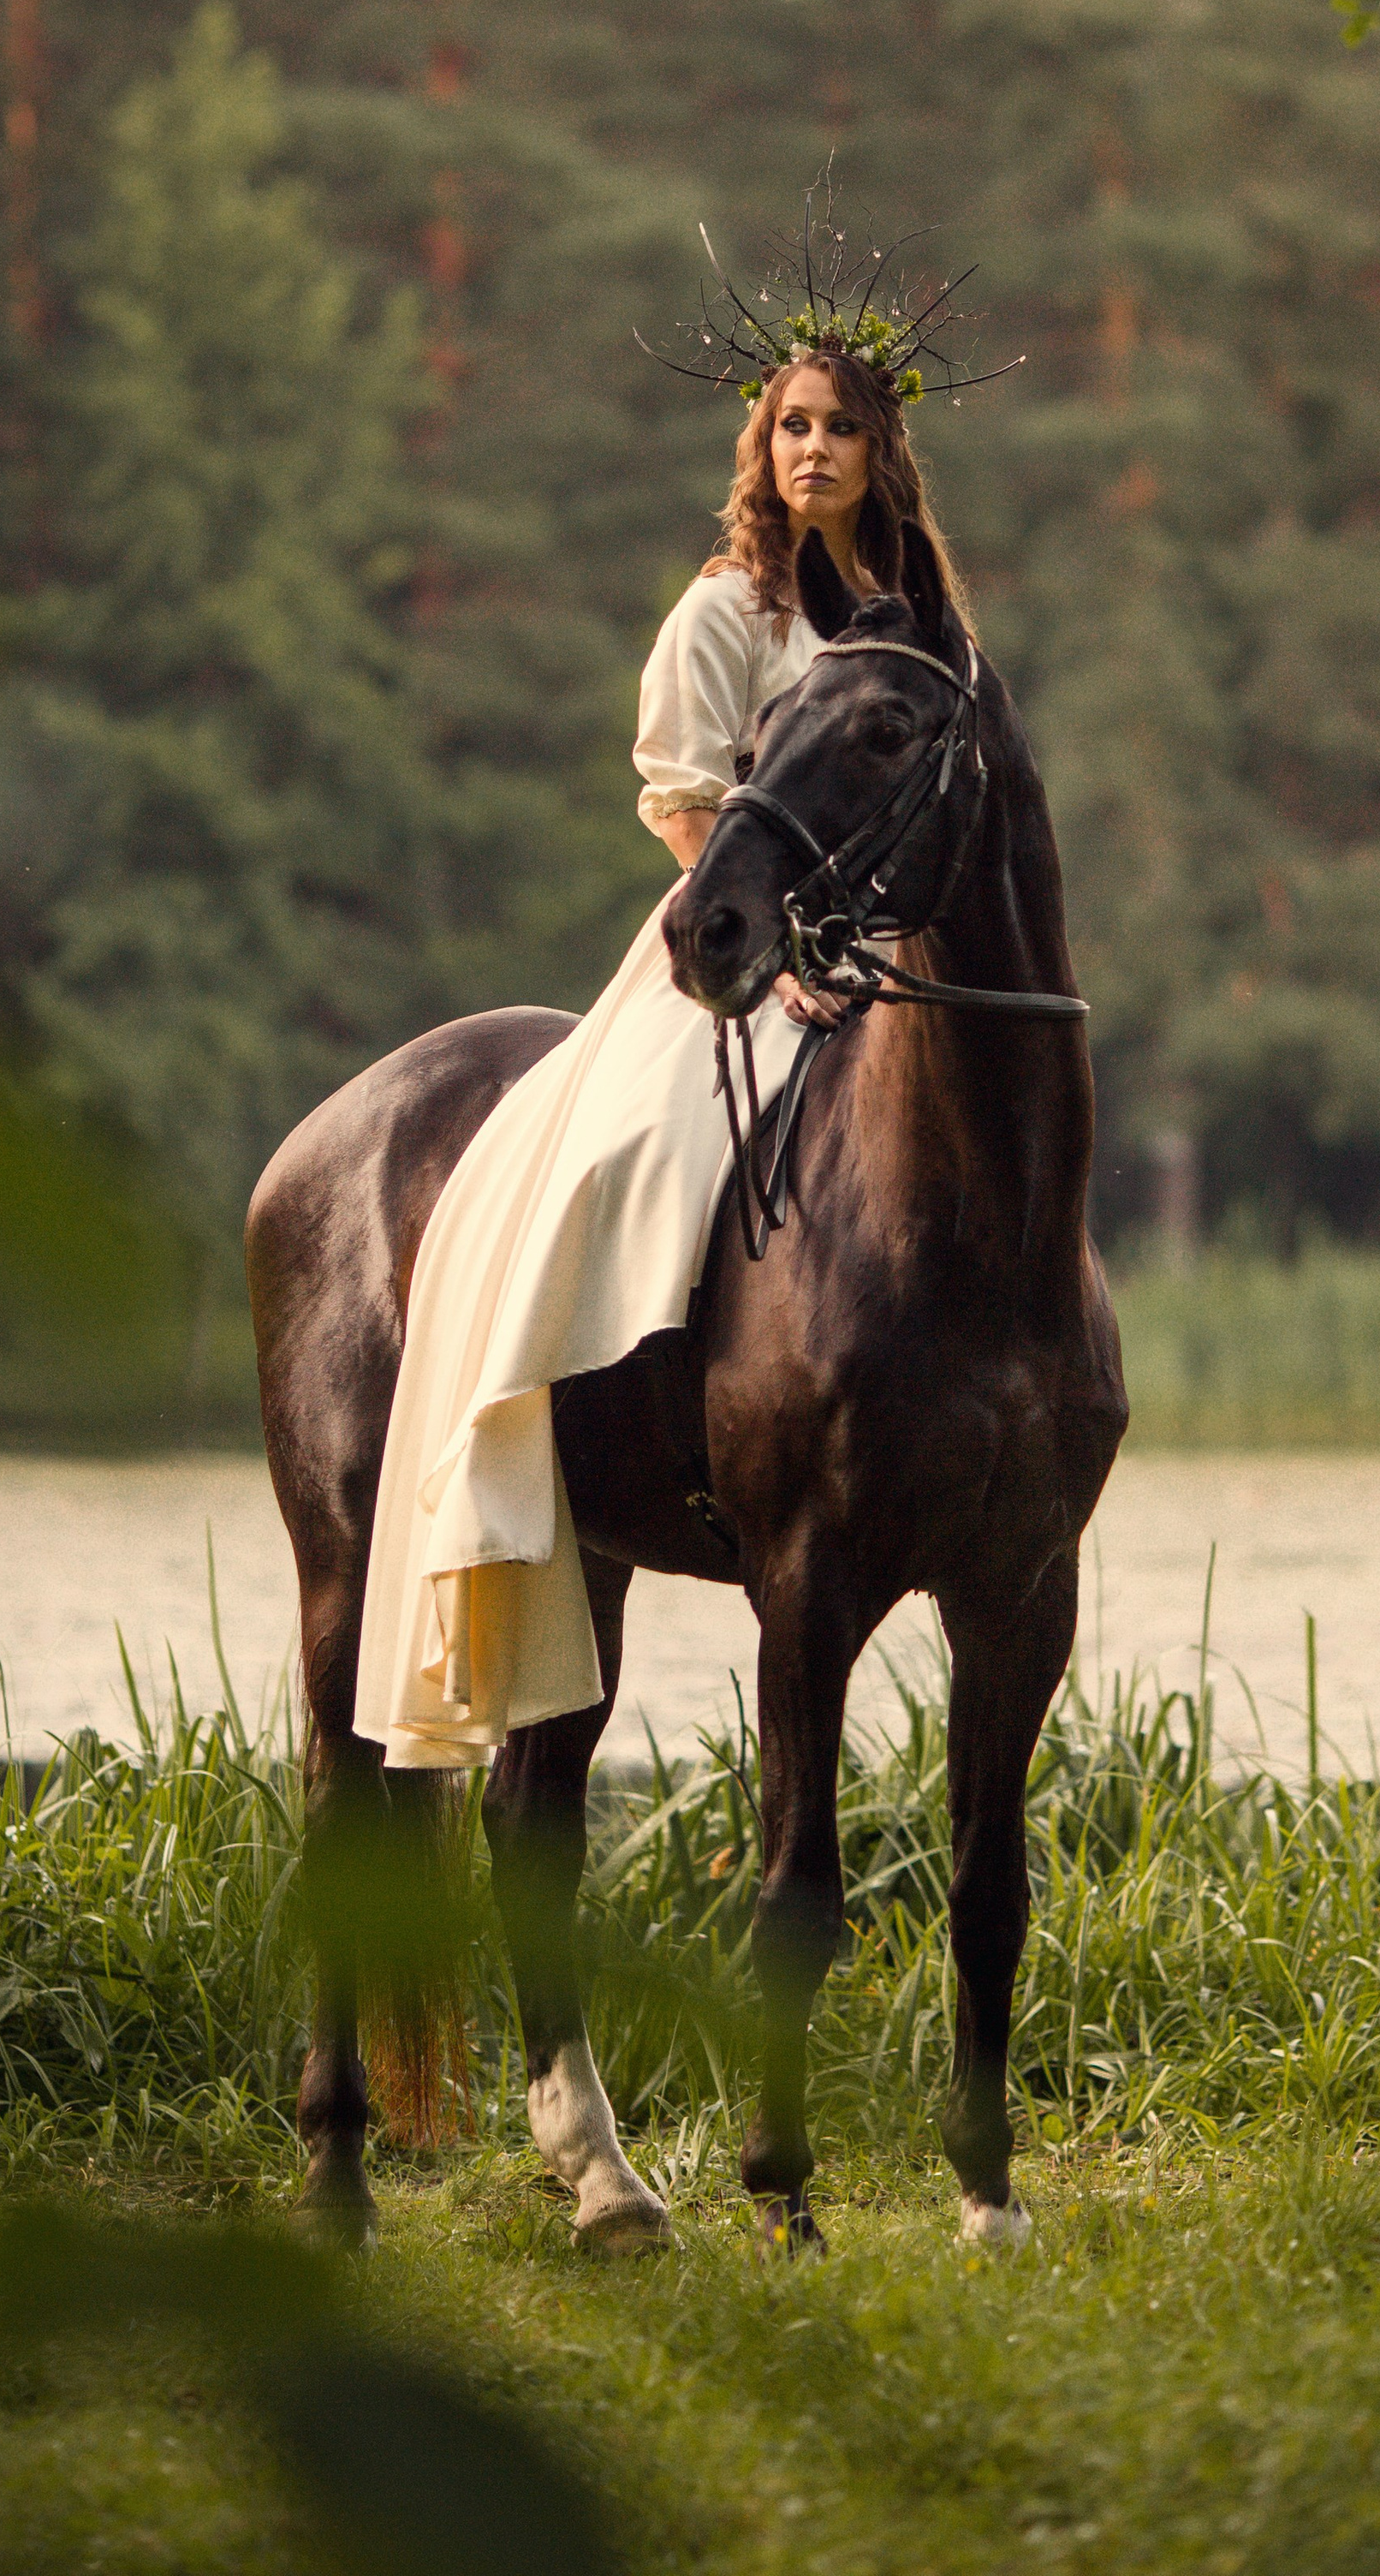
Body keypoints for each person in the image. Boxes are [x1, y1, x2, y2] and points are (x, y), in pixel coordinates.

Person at [352, 337, 971, 1769]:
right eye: (788, 427)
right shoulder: (721, 613)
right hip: (734, 944)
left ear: (881, 453)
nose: (809, 450)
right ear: (761, 448)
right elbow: (690, 805)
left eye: (838, 429)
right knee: (628, 1148)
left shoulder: (910, 621)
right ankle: (551, 1396)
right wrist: (775, 966)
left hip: (894, 950)